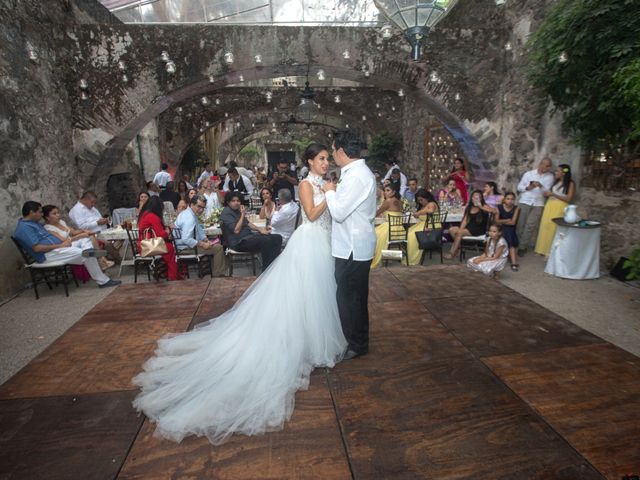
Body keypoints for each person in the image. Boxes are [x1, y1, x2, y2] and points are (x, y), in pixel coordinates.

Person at [132, 143, 346, 444]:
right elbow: (311, 214)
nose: (326, 163)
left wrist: (333, 192)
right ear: (310, 161)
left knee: (318, 296)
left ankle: (313, 338)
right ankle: (299, 341)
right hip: (310, 243)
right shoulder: (307, 184)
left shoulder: (324, 183)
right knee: (306, 292)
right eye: (321, 159)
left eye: (327, 159)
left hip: (325, 243)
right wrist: (332, 193)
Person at [323, 129, 377, 360]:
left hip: (353, 246)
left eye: (333, 150)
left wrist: (329, 192)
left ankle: (357, 344)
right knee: (351, 296)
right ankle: (355, 339)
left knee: (351, 297)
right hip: (350, 243)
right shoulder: (355, 172)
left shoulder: (356, 176)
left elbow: (339, 212)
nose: (333, 154)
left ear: (341, 151)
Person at [14, 201, 121, 289]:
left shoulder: (33, 223)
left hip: (60, 246)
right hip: (48, 254)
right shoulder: (24, 228)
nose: (42, 214)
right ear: (32, 212)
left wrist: (65, 243)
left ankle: (95, 255)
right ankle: (102, 278)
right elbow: (37, 248)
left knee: (85, 239)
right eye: (40, 212)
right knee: (86, 254)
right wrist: (60, 245)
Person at [220, 192, 282, 271]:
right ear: (228, 202)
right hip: (238, 242)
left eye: (238, 201)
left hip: (248, 237)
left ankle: (273, 265)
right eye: (233, 201)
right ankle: (266, 270)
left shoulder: (237, 210)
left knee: (277, 238)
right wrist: (242, 215)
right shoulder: (226, 213)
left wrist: (260, 229)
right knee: (267, 241)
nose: (236, 203)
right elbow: (236, 230)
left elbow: (248, 223)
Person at [42, 205, 114, 271]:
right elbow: (63, 241)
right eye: (54, 214)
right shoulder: (48, 228)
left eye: (58, 213)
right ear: (47, 217)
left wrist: (83, 231)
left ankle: (100, 261)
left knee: (90, 236)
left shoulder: (61, 222)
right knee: (88, 238)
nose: (58, 215)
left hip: (73, 241)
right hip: (65, 246)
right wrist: (80, 236)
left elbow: (73, 232)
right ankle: (100, 261)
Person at [174, 195, 226, 277]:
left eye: (203, 208)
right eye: (199, 207)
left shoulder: (189, 213)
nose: (201, 210)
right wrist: (202, 244)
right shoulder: (189, 218)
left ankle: (213, 271)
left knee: (215, 244)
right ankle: (218, 275)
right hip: (185, 248)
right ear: (192, 204)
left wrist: (206, 240)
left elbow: (199, 230)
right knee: (218, 248)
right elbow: (186, 239)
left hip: (184, 246)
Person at [69, 191, 121, 264]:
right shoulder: (77, 210)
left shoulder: (91, 207)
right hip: (93, 235)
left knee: (122, 236)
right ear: (85, 200)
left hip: (103, 231)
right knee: (108, 244)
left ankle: (111, 256)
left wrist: (104, 220)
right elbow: (82, 226)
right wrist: (97, 223)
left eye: (94, 202)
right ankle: (119, 260)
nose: (93, 204)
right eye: (92, 202)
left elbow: (98, 218)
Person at [534, 164, 576, 256]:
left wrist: (553, 194)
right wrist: (545, 191)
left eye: (558, 171)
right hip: (550, 205)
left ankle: (550, 252)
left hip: (560, 206)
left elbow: (568, 199)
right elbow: (550, 193)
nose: (555, 172)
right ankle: (541, 249)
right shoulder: (556, 182)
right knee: (545, 226)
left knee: (554, 228)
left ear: (563, 173)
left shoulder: (570, 183)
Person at [516, 157, 555, 255]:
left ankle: (522, 247)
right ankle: (514, 245)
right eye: (546, 166)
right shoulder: (529, 174)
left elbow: (547, 192)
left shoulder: (550, 177)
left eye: (549, 166)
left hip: (538, 203)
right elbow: (519, 187)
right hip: (525, 201)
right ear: (540, 164)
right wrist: (529, 187)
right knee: (520, 224)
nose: (547, 168)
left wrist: (540, 186)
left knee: (530, 226)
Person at [138, 196, 180, 281]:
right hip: (152, 245)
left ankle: (164, 271)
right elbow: (160, 234)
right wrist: (168, 230)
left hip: (144, 244)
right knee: (171, 248)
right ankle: (172, 276)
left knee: (169, 248)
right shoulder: (153, 217)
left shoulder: (143, 215)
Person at [444, 189, 493, 259]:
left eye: (477, 197)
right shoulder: (469, 207)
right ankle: (459, 249)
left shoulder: (484, 206)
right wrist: (461, 229)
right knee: (452, 230)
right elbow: (465, 220)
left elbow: (493, 211)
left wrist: (480, 206)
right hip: (469, 227)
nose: (475, 199)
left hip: (479, 229)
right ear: (471, 198)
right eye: (474, 197)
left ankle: (452, 253)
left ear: (481, 198)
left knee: (460, 233)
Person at [371, 185, 404, 268]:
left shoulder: (388, 201)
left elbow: (376, 213)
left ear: (393, 192)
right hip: (400, 229)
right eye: (385, 190)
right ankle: (393, 256)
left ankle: (377, 258)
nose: (385, 192)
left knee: (374, 234)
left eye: (388, 190)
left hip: (390, 228)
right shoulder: (400, 201)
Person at [407, 189, 440, 266]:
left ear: (427, 198)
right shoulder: (424, 205)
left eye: (421, 200)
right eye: (418, 200)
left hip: (432, 225)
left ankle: (413, 258)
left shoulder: (431, 204)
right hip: (423, 224)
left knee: (412, 236)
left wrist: (419, 213)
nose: (420, 202)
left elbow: (430, 211)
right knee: (408, 232)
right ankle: (408, 255)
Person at [493, 192, 520, 271]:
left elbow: (513, 222)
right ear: (504, 199)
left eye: (512, 199)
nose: (510, 201)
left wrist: (502, 221)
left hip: (510, 228)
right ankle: (514, 262)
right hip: (500, 228)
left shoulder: (516, 208)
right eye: (508, 199)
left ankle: (513, 261)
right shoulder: (499, 207)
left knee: (509, 232)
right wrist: (507, 220)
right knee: (508, 233)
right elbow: (496, 221)